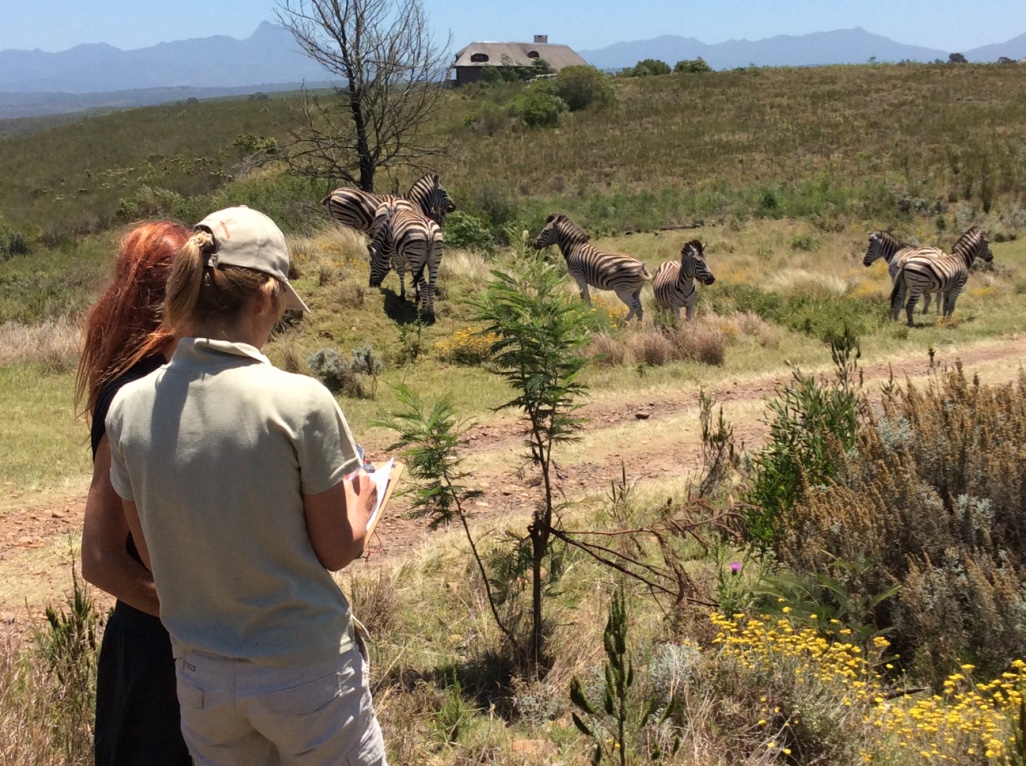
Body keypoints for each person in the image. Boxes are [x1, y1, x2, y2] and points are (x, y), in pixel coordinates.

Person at [104, 206, 388, 765]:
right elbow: (337, 549)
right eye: (280, 306)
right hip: (306, 673)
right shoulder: (300, 401)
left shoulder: (128, 409)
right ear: (264, 295)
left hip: (203, 681)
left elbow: (160, 561)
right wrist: (366, 504)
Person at [75, 220, 193, 765]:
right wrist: (186, 616)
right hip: (155, 653)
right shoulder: (134, 393)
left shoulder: (151, 376)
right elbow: (100, 558)